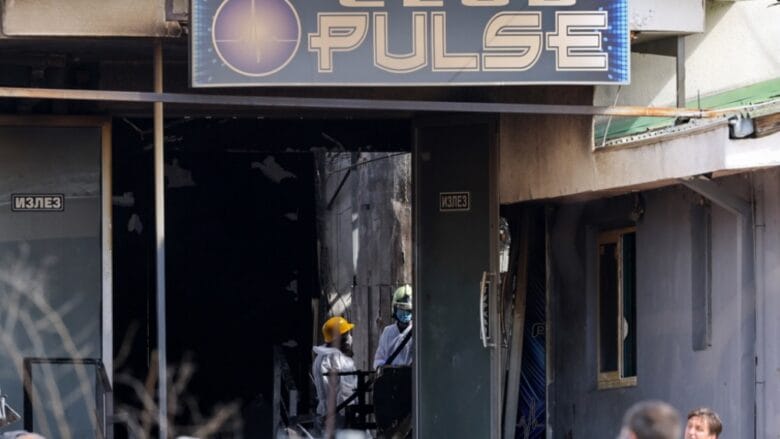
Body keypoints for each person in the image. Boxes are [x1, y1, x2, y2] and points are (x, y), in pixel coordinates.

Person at [312, 316, 357, 420]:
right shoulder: (339, 359)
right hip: (340, 414)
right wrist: (350, 414)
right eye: (347, 334)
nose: (350, 337)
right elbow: (346, 391)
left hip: (325, 412)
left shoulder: (320, 357)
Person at [373, 285, 413, 369]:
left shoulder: (417, 333)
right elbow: (379, 359)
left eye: (408, 310)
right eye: (401, 308)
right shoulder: (388, 332)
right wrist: (383, 368)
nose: (405, 313)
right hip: (391, 375)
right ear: (394, 309)